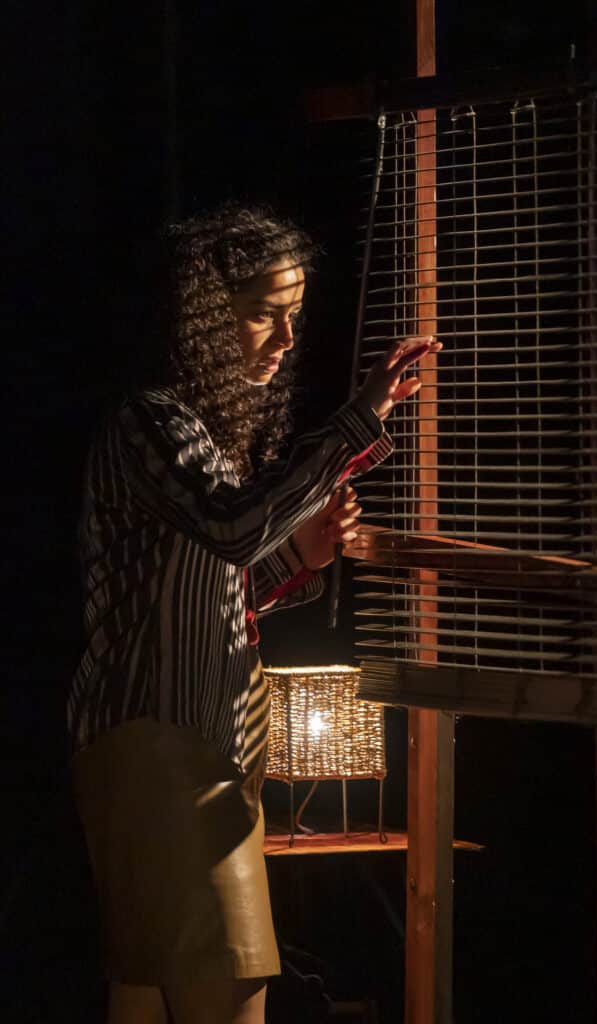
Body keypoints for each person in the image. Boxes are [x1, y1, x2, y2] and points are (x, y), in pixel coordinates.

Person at [67, 202, 440, 1024]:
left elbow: (206, 583)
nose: (285, 338)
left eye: (294, 316)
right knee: (225, 984)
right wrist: (360, 419)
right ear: (202, 316)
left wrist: (300, 557)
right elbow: (232, 528)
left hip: (193, 747)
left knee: (146, 991)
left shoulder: (194, 430)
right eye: (263, 313)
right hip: (162, 748)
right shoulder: (151, 421)